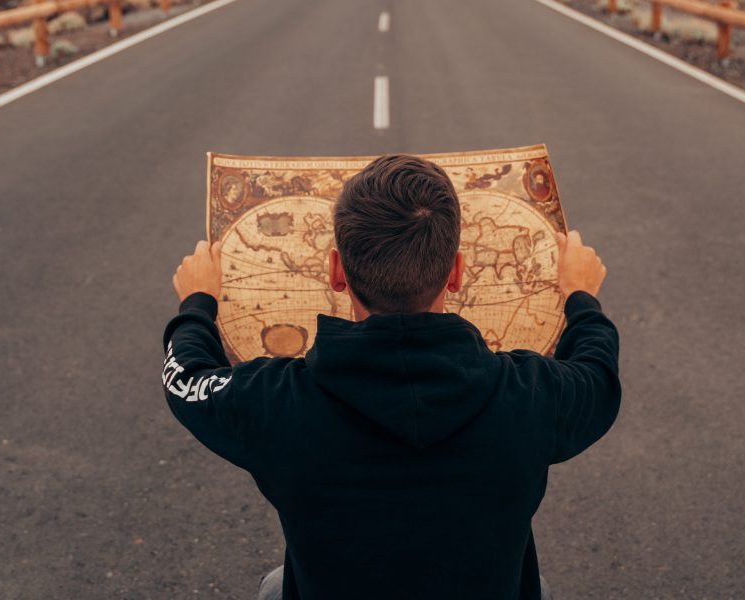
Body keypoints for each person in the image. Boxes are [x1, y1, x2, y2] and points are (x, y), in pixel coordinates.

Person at [162, 155, 620, 600]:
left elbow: (185, 378)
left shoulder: (273, 401)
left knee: (275, 586)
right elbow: (597, 373)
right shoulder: (533, 396)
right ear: (457, 273)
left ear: (336, 272)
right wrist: (581, 298)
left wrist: (198, 303)